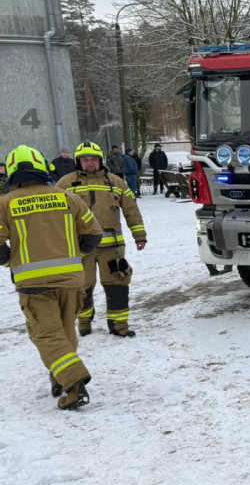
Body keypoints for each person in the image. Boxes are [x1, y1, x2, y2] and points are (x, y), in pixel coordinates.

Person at [0, 145, 102, 409]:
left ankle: (73, 382)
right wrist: (75, 255)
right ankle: (59, 376)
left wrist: (12, 260)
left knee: (46, 335)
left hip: (34, 284)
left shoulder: (5, 203)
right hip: (71, 280)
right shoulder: (67, 197)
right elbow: (92, 234)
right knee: (65, 330)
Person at [56, 142, 147, 337]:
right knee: (82, 287)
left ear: (100, 160)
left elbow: (132, 210)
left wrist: (139, 235)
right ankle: (84, 322)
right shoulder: (64, 184)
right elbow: (53, 217)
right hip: (80, 249)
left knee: (118, 286)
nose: (90, 163)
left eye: (93, 159)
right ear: (78, 161)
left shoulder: (116, 182)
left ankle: (119, 325)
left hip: (112, 248)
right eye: (85, 159)